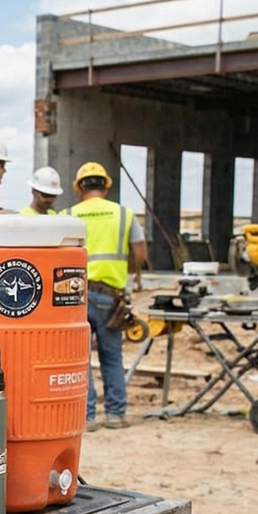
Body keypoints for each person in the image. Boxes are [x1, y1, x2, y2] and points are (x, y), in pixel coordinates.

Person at [69, 161, 148, 431]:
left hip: (74, 295)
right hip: (110, 297)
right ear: (105, 187)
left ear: (79, 188)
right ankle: (115, 414)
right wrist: (126, 273)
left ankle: (86, 416)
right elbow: (140, 254)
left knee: (81, 358)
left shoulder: (69, 214)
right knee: (111, 356)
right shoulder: (124, 215)